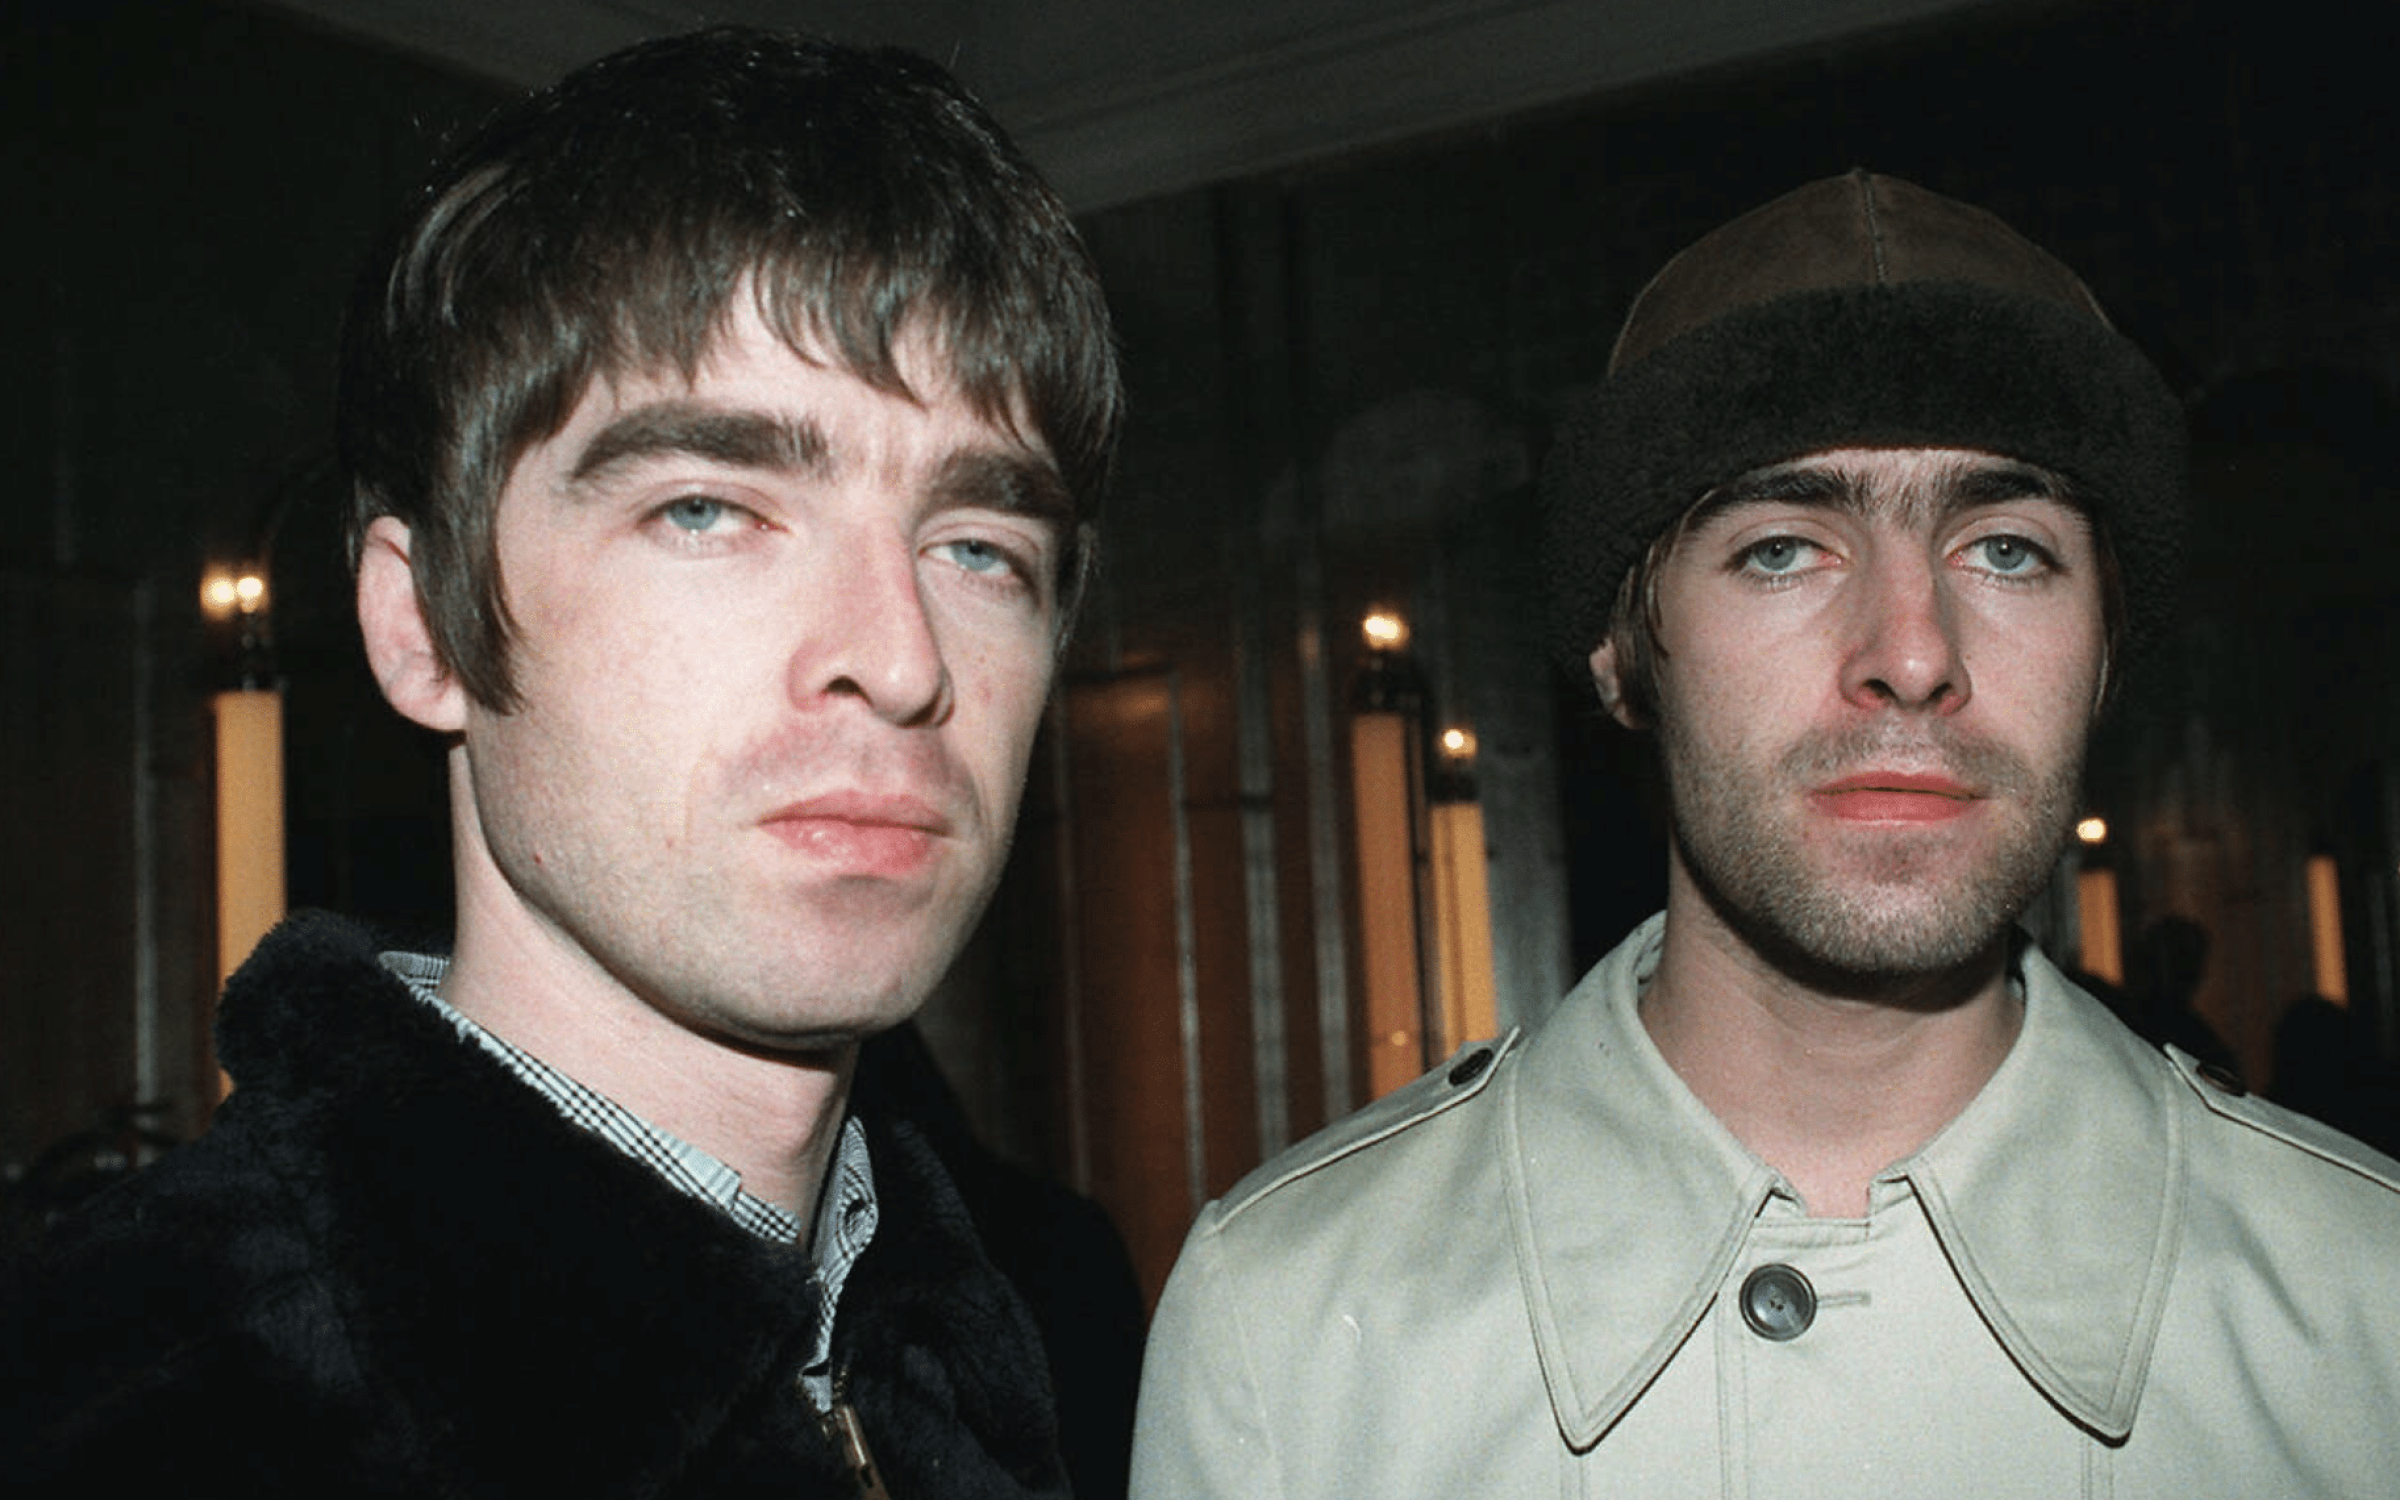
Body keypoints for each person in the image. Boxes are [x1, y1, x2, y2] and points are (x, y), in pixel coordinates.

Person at [1129, 171, 2400, 1496]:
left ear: (2107, 652)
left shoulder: (2367, 1316)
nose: (1912, 655)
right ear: (1621, 655)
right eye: (1782, 549)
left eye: (2010, 550)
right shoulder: (1287, 1335)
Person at [2, 26, 1121, 1499]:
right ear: (424, 629)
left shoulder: (981, 1347)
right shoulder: (143, 1405)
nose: (902, 658)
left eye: (979, 546)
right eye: (710, 511)